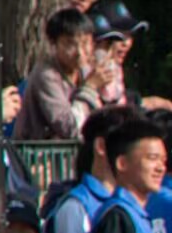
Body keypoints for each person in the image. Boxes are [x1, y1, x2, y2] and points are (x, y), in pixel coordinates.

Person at [17, 7, 115, 140]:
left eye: (85, 43)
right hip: (41, 151)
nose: (80, 53)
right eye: (70, 44)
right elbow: (69, 128)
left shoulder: (85, 70)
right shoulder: (46, 75)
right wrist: (90, 88)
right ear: (54, 43)